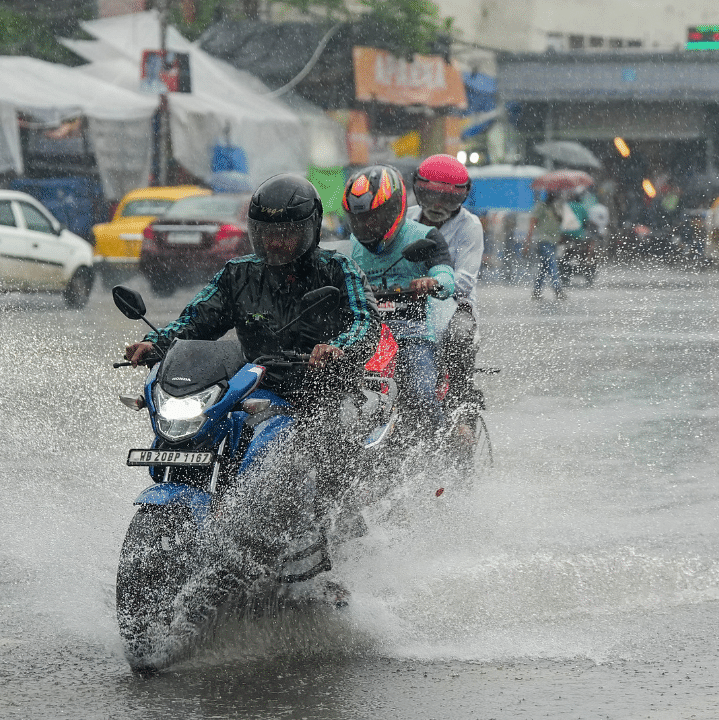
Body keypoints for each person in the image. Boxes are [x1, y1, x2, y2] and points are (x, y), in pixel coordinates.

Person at [121, 174, 377, 661]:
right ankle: (198, 547)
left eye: (287, 232)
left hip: (320, 393)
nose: (277, 241)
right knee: (206, 431)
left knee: (306, 467)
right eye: (267, 231)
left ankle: (325, 557)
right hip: (256, 389)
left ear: (311, 229)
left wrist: (337, 348)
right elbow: (196, 320)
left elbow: (366, 323)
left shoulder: (338, 271)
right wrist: (158, 343)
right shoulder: (239, 273)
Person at [342, 164, 456, 436]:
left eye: (375, 217)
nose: (367, 226)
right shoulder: (353, 245)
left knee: (420, 393)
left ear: (396, 208)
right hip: (368, 337)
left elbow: (447, 276)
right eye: (361, 220)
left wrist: (432, 282)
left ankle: (442, 449)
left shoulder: (424, 236)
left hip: (413, 334)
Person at [407, 154, 484, 423]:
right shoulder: (406, 218)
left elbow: (465, 280)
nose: (438, 206)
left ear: (461, 199)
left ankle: (461, 411)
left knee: (460, 337)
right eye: (430, 197)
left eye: (448, 199)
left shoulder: (470, 226)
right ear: (417, 190)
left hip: (453, 305)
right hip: (403, 302)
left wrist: (434, 284)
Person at [527, 190, 565, 300]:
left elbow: (561, 222)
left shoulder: (557, 207)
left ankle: (537, 290)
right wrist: (527, 241)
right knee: (552, 264)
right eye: (551, 194)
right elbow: (533, 222)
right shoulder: (541, 207)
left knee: (544, 267)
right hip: (544, 241)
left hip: (554, 241)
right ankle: (558, 289)